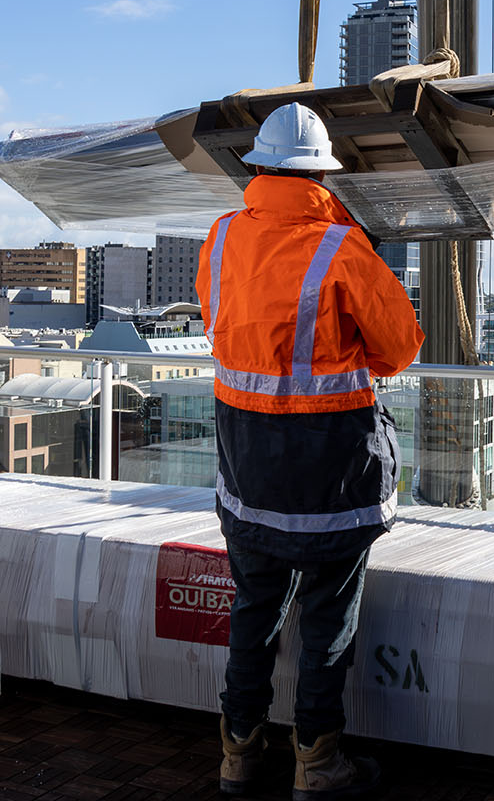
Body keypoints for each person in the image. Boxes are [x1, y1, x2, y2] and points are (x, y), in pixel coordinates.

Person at [197, 102, 423, 799]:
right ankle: (317, 766)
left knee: (253, 608)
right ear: (324, 172)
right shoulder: (341, 247)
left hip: (249, 457)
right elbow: (400, 350)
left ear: (257, 166)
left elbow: (218, 323)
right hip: (331, 464)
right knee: (328, 618)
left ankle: (239, 755)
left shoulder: (225, 237)